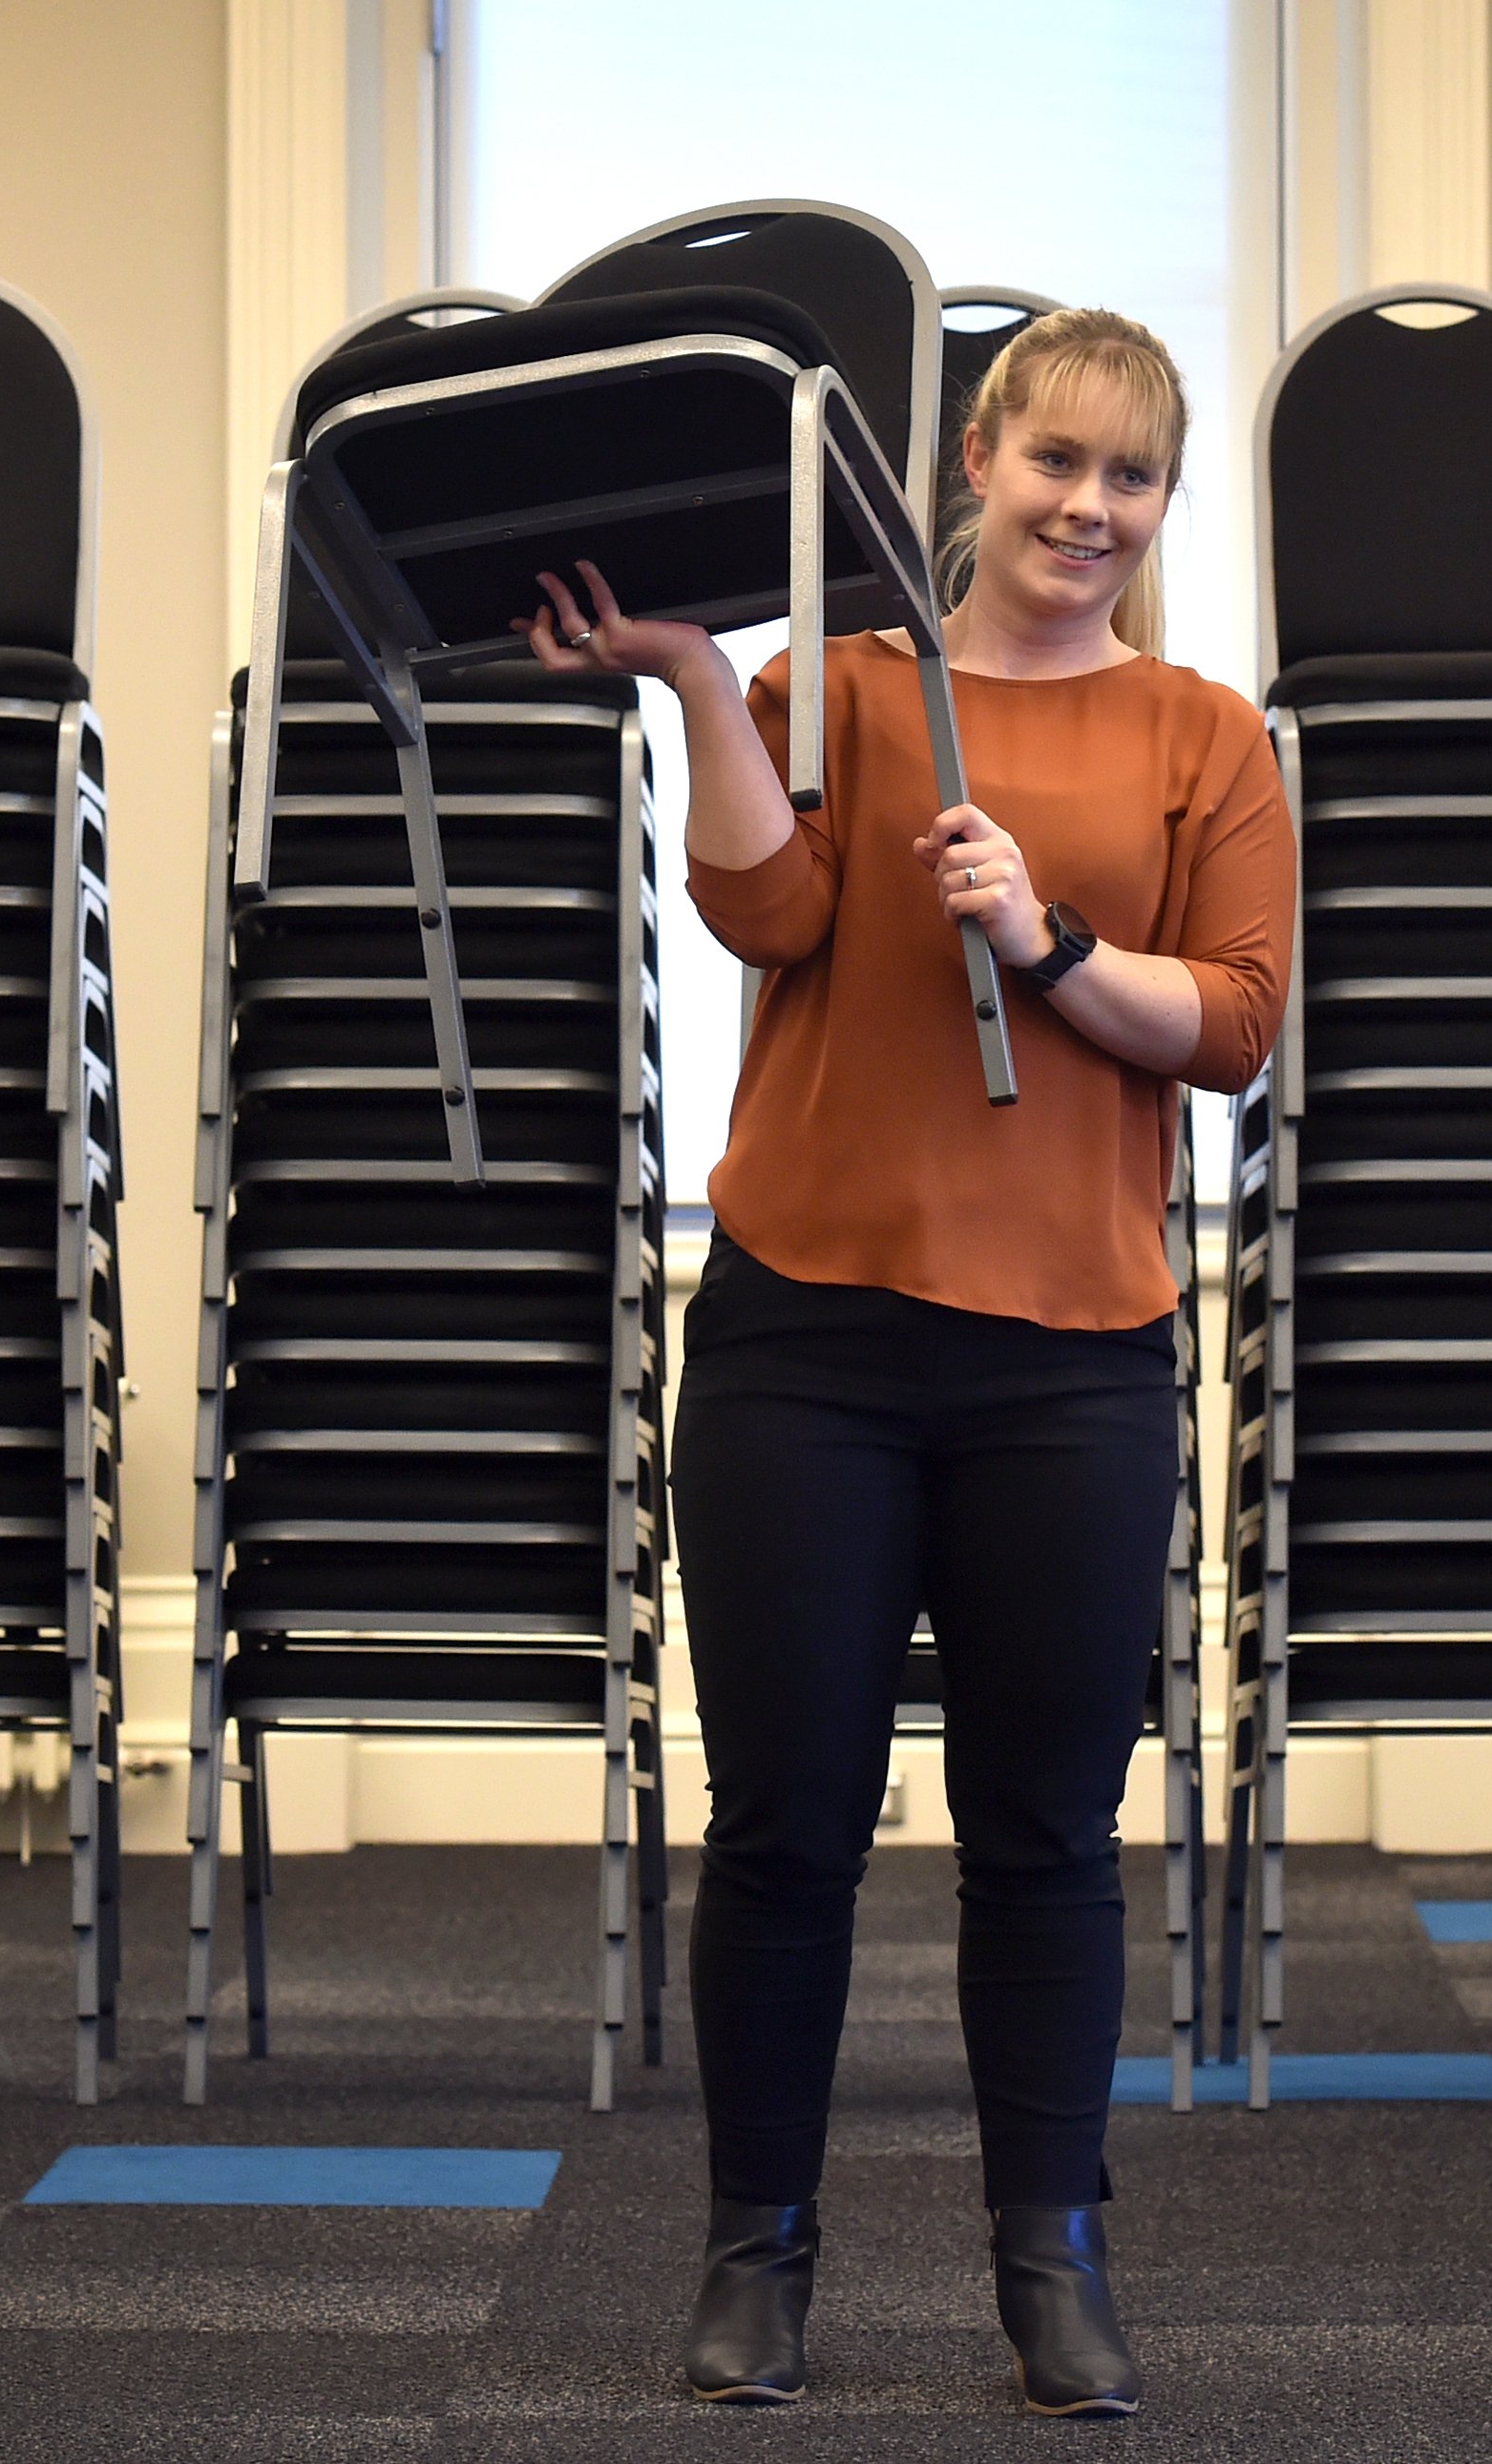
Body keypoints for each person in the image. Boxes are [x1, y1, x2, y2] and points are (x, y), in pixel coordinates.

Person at [515, 309, 1291, 2413]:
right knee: (785, 1826)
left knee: (1044, 1829)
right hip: (807, 1345)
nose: (1085, 509)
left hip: (1075, 1362)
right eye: (1055, 462)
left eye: (1128, 479)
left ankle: (1051, 2259)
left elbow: (1227, 1026)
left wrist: (1041, 940)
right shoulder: (838, 687)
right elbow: (760, 919)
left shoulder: (1204, 738)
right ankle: (753, 2256)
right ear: (976, 456)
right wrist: (691, 679)